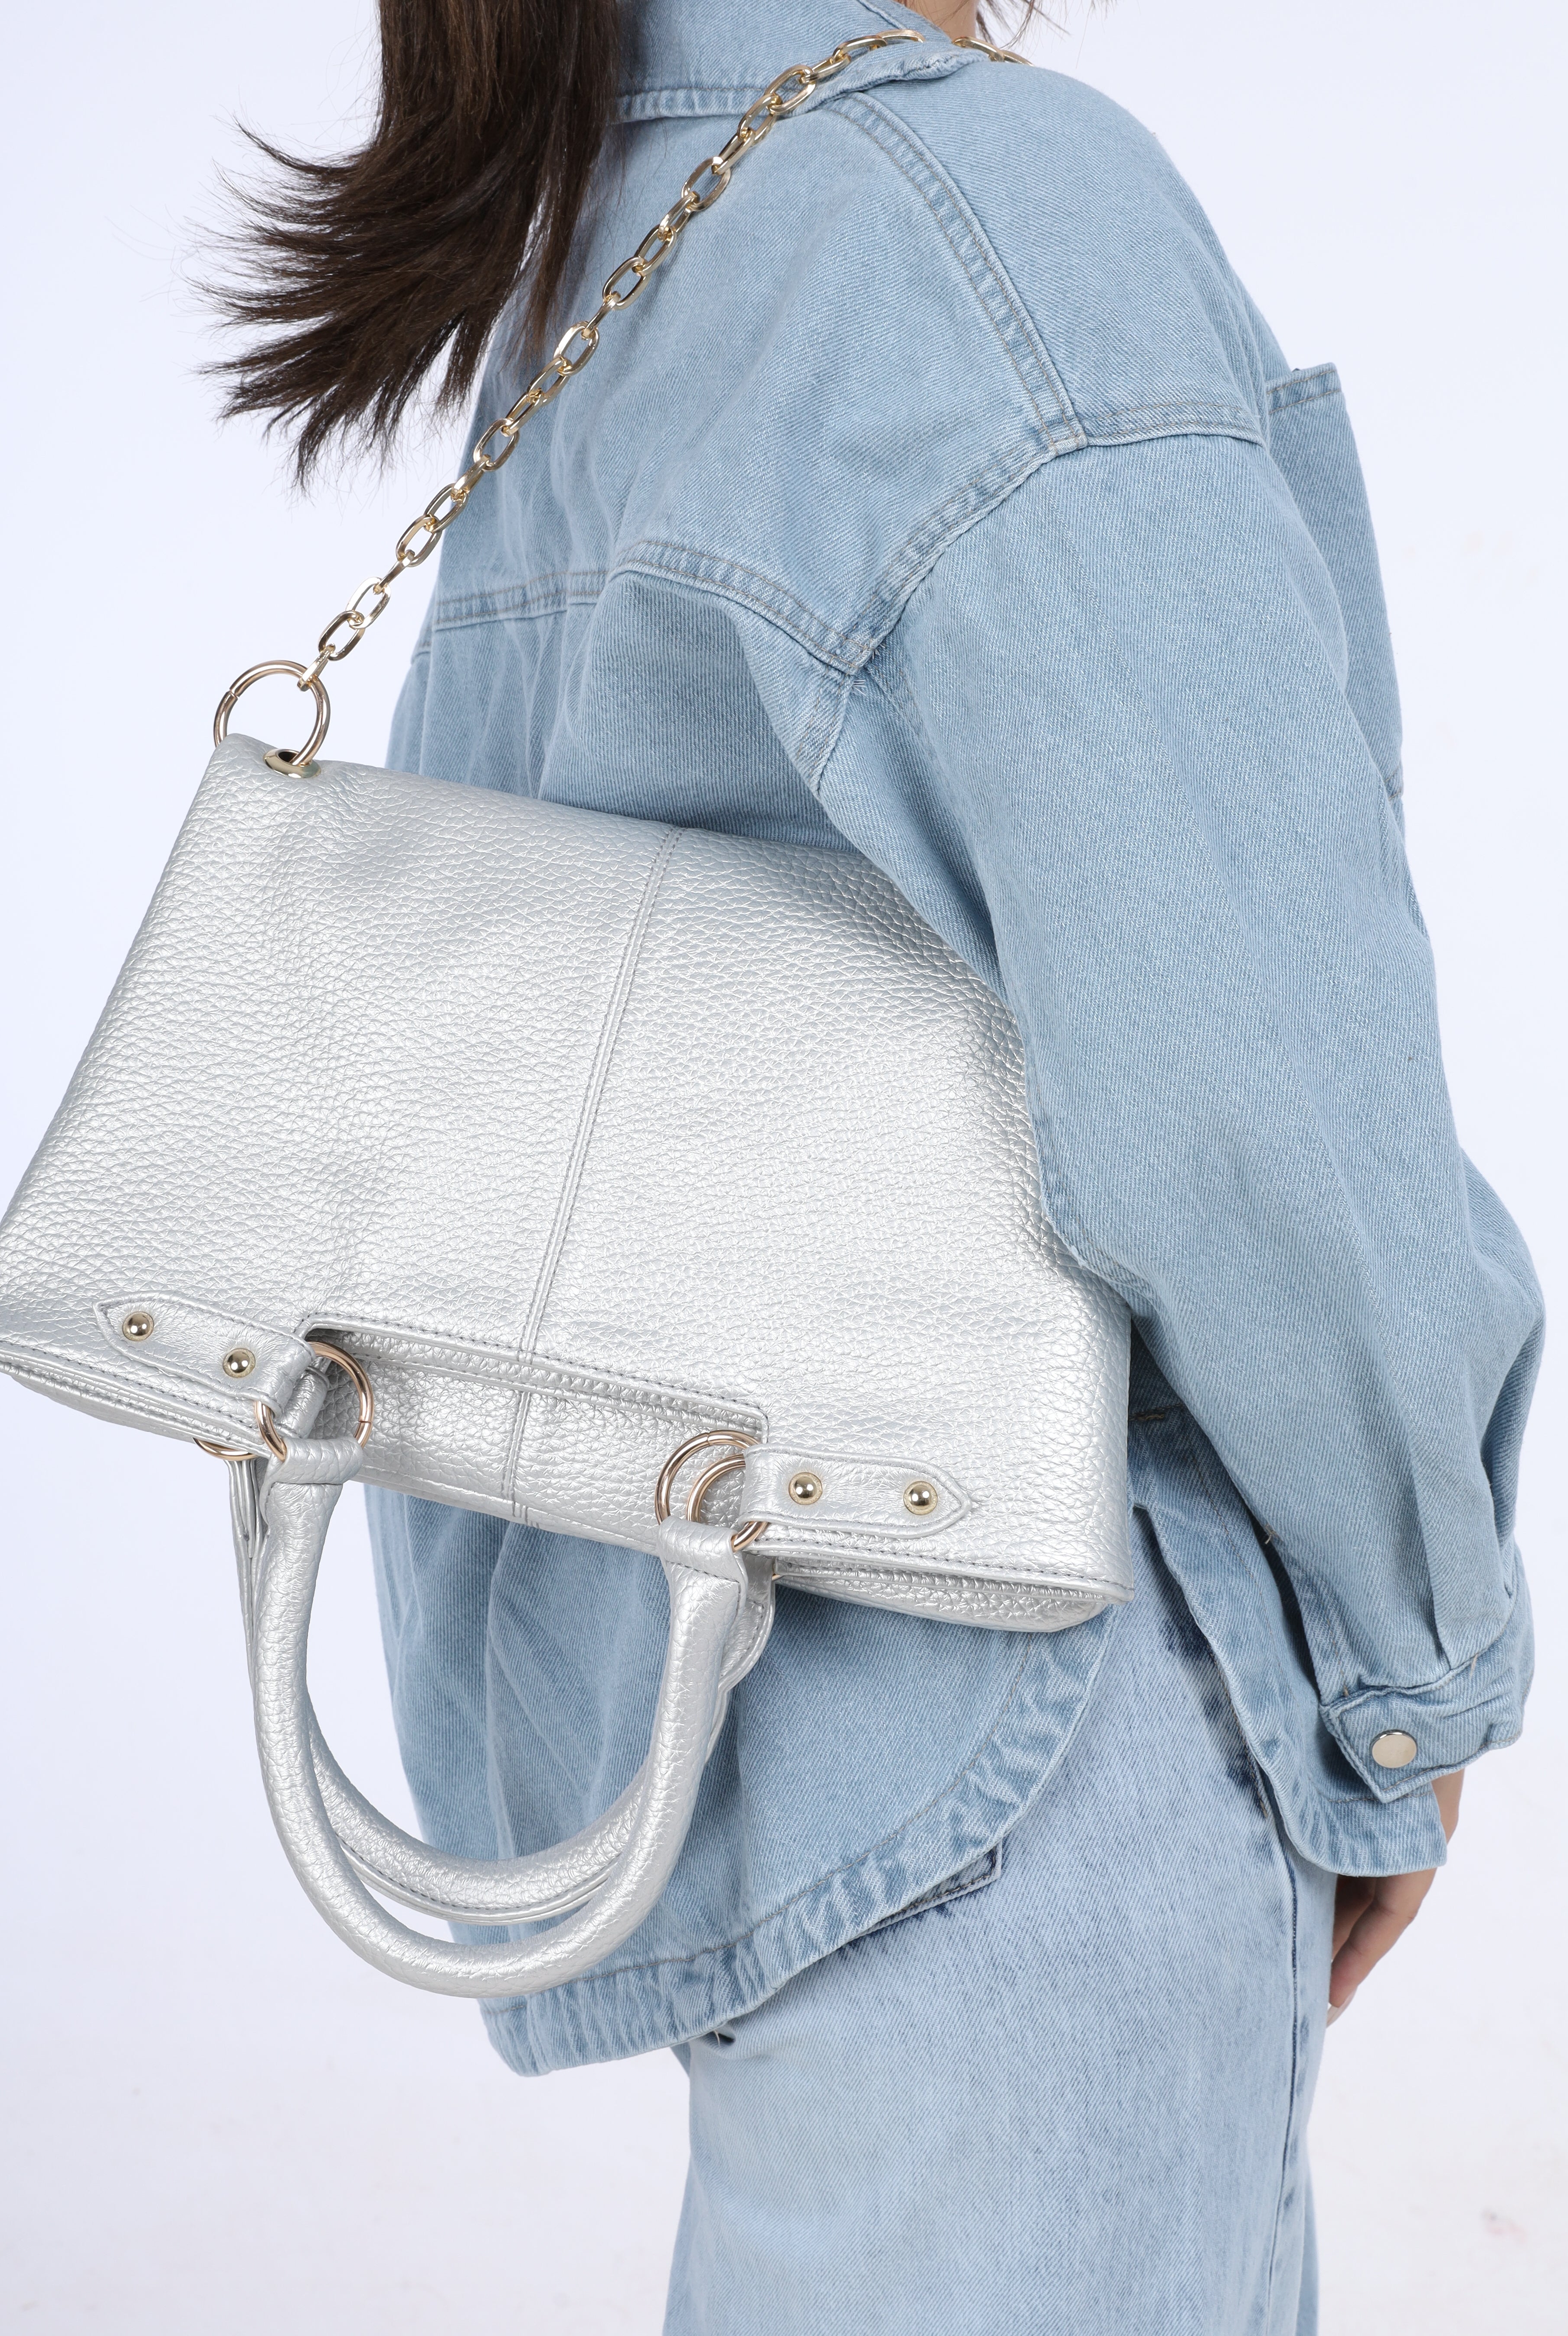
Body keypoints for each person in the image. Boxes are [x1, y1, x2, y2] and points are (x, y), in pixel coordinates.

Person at [209, 2, 1542, 2327]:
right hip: (1035, 1735)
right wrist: (1419, 1665)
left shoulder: (622, 225)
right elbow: (1245, 1076)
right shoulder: (971, 214)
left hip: (751, 1723)